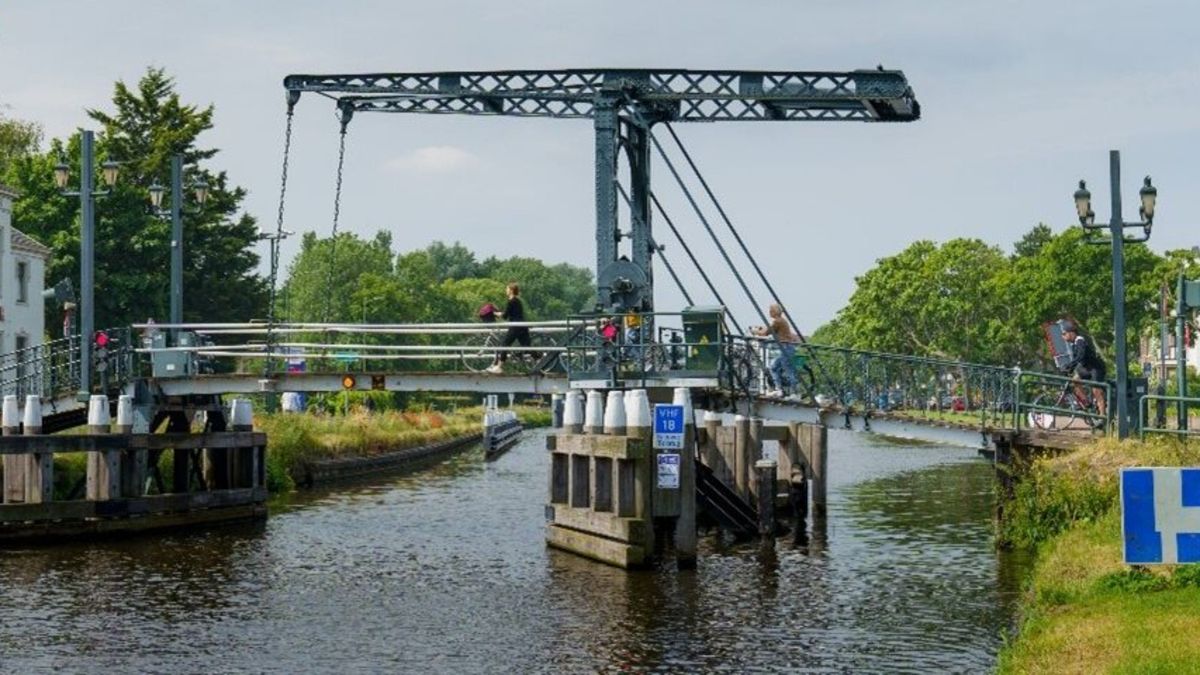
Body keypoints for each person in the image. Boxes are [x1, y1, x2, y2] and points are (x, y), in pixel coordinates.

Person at [752, 303, 800, 399]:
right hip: (787, 347)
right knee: (775, 367)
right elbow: (770, 329)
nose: (769, 313)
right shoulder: (782, 320)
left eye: (770, 311)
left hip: (786, 348)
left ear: (774, 312)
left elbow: (766, 333)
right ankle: (780, 390)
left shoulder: (777, 321)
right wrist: (761, 329)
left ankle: (793, 392)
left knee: (787, 369)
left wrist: (754, 331)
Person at [1061, 320, 1107, 419]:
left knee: (1096, 391)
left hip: (1096, 368)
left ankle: (1102, 415)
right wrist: (1069, 368)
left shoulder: (1080, 340)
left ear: (1071, 333)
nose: (1062, 336)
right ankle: (1087, 403)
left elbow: (1080, 356)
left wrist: (1069, 365)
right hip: (1086, 367)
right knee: (1075, 380)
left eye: (1064, 334)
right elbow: (1076, 359)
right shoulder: (1074, 344)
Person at [486, 283, 531, 373]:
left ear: (511, 290)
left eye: (507, 289)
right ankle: (539, 358)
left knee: (504, 345)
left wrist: (494, 313)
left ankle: (499, 367)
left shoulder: (511, 301)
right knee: (526, 346)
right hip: (521, 326)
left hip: (515, 327)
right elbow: (509, 313)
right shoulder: (517, 300)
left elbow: (505, 316)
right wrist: (500, 313)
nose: (506, 290)